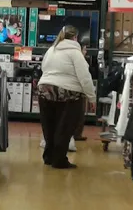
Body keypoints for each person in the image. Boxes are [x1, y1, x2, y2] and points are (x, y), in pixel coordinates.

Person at [37, 26, 97, 169]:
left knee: (49, 126)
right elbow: (85, 78)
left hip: (44, 89)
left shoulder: (51, 50)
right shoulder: (75, 53)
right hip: (68, 93)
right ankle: (59, 160)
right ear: (75, 38)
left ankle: (48, 156)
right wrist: (91, 98)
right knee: (65, 127)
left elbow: (43, 68)